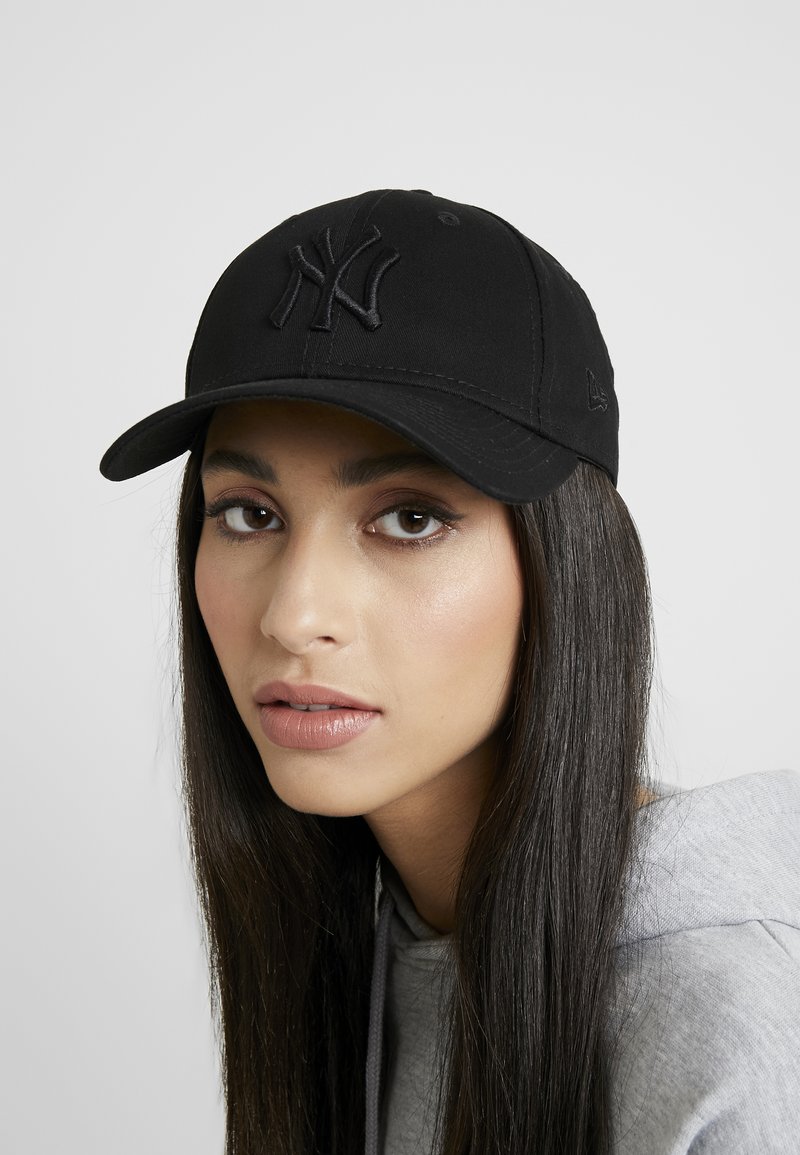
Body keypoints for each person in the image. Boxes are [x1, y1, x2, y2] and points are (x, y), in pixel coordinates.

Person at [100, 189, 800, 1155]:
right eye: (251, 514)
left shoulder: (740, 1025)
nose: (294, 615)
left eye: (411, 518)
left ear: (564, 568)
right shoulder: (370, 945)